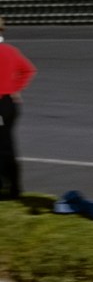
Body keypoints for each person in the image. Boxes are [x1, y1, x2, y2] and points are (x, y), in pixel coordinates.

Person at [0, 16, 38, 200]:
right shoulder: (10, 50)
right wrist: (15, 88)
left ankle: (11, 188)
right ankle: (11, 186)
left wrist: (12, 88)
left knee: (4, 145)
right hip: (8, 103)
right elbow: (29, 70)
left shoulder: (5, 51)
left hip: (1, 103)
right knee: (5, 144)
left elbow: (29, 70)